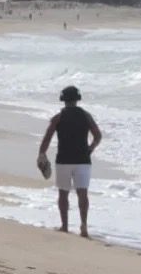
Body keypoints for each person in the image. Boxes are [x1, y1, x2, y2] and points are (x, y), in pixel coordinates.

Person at [38, 85, 102, 237]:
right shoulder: (86, 116)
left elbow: (48, 137)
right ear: (77, 99)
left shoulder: (58, 117)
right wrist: (90, 148)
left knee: (63, 194)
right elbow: (98, 136)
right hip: (83, 160)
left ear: (63, 100)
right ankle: (84, 225)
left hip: (64, 160)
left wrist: (42, 153)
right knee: (82, 193)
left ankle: (65, 226)